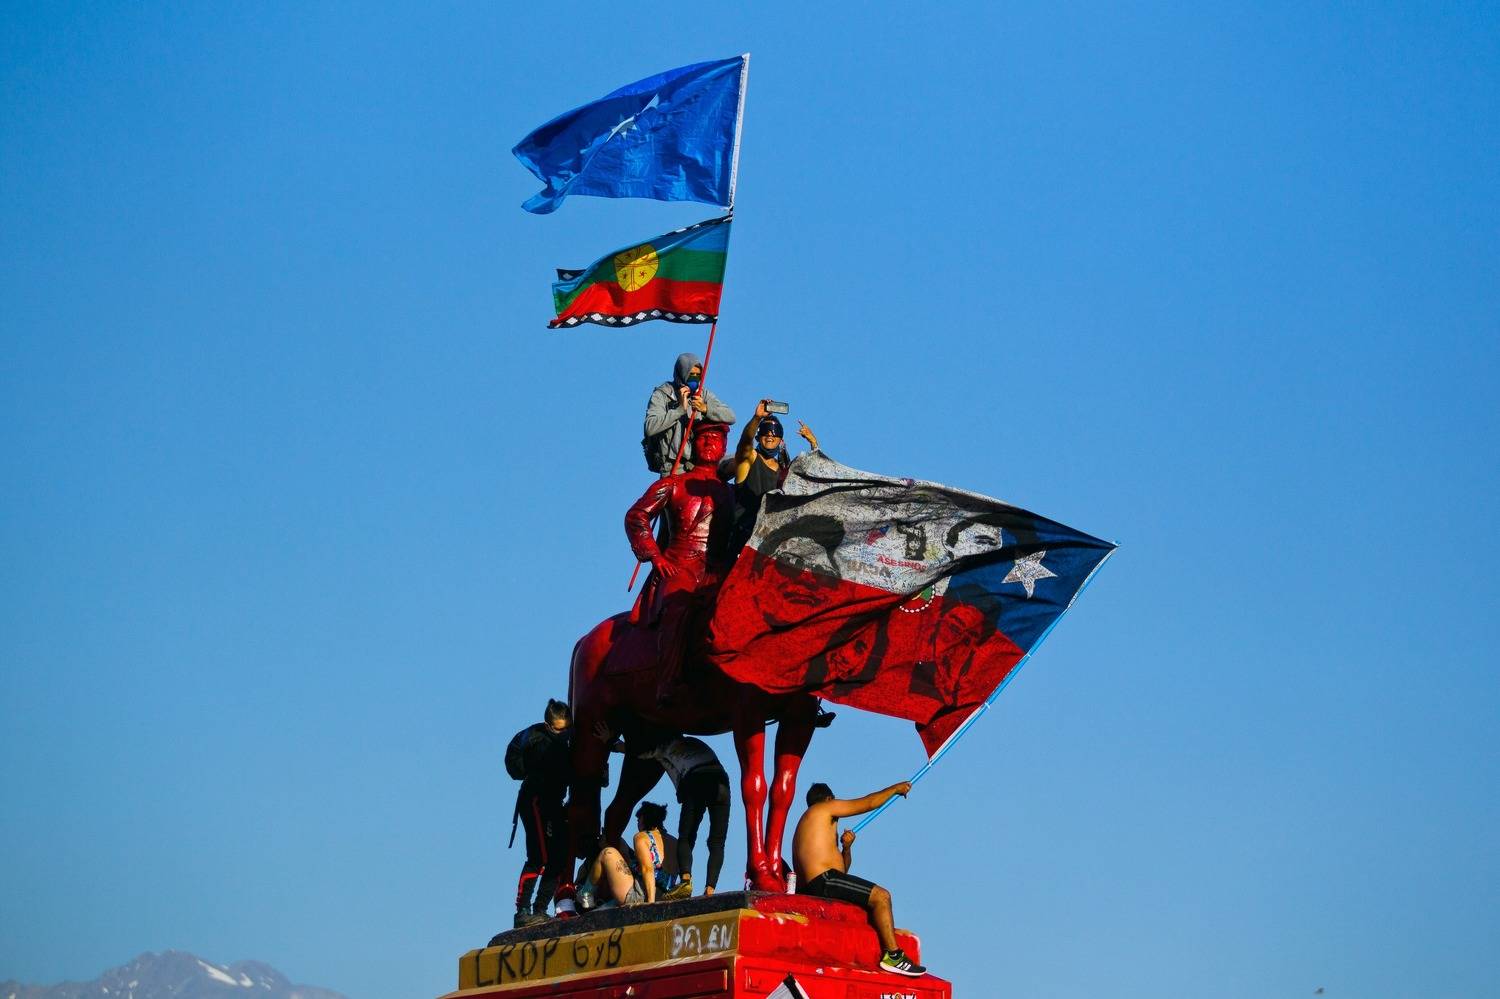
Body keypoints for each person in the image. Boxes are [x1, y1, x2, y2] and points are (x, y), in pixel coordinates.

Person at [625, 420, 737, 701]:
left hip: (718, 568)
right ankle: (668, 683)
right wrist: (654, 554)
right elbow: (637, 515)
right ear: (693, 444)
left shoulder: (734, 493)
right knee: (678, 605)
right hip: (680, 564)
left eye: (716, 438)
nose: (710, 442)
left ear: (724, 446)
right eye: (703, 438)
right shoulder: (673, 484)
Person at [792, 781, 926, 977]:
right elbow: (869, 802)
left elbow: (841, 873)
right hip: (823, 880)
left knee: (869, 902)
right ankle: (893, 956)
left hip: (821, 882)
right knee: (881, 897)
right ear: (830, 799)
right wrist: (895, 789)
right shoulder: (825, 808)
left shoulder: (808, 823)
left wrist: (846, 849)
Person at [504, 699, 572, 927]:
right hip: (534, 801)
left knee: (559, 857)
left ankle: (540, 909)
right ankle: (523, 911)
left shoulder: (568, 741)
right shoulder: (535, 739)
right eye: (558, 729)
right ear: (547, 725)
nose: (562, 733)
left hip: (553, 803)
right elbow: (515, 765)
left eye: (566, 728)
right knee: (538, 857)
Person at [638, 735, 732, 899]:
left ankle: (685, 882)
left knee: (686, 837)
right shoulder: (692, 744)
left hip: (698, 778)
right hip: (721, 781)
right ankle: (710, 890)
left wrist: (613, 743)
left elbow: (642, 752)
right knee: (717, 842)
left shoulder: (667, 744)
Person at [729, 400, 820, 551]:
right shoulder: (750, 459)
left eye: (775, 430)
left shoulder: (785, 471)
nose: (770, 433)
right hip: (740, 540)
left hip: (766, 546)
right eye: (765, 429)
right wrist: (757, 418)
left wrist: (814, 444)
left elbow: (814, 481)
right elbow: (745, 444)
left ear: (781, 439)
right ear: (758, 437)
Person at [642, 353, 736, 476]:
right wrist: (679, 410)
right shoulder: (662, 394)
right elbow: (650, 427)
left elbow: (731, 416)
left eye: (698, 375)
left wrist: (706, 409)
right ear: (682, 373)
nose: (695, 379)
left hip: (699, 463)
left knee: (737, 461)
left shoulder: (703, 394)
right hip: (674, 467)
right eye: (691, 375)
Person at [585, 801, 677, 906]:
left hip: (641, 897)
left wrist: (651, 904)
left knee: (608, 853)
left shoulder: (642, 837)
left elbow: (648, 870)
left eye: (638, 820)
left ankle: (585, 894)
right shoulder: (676, 842)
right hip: (666, 897)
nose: (637, 823)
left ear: (643, 818)